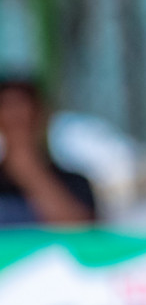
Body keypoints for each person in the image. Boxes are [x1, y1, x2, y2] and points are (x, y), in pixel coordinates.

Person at [0, 75, 96, 226]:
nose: (15, 117)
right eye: (7, 109)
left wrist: (28, 170)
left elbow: (81, 233)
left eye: (22, 110)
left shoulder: (76, 183)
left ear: (42, 116)